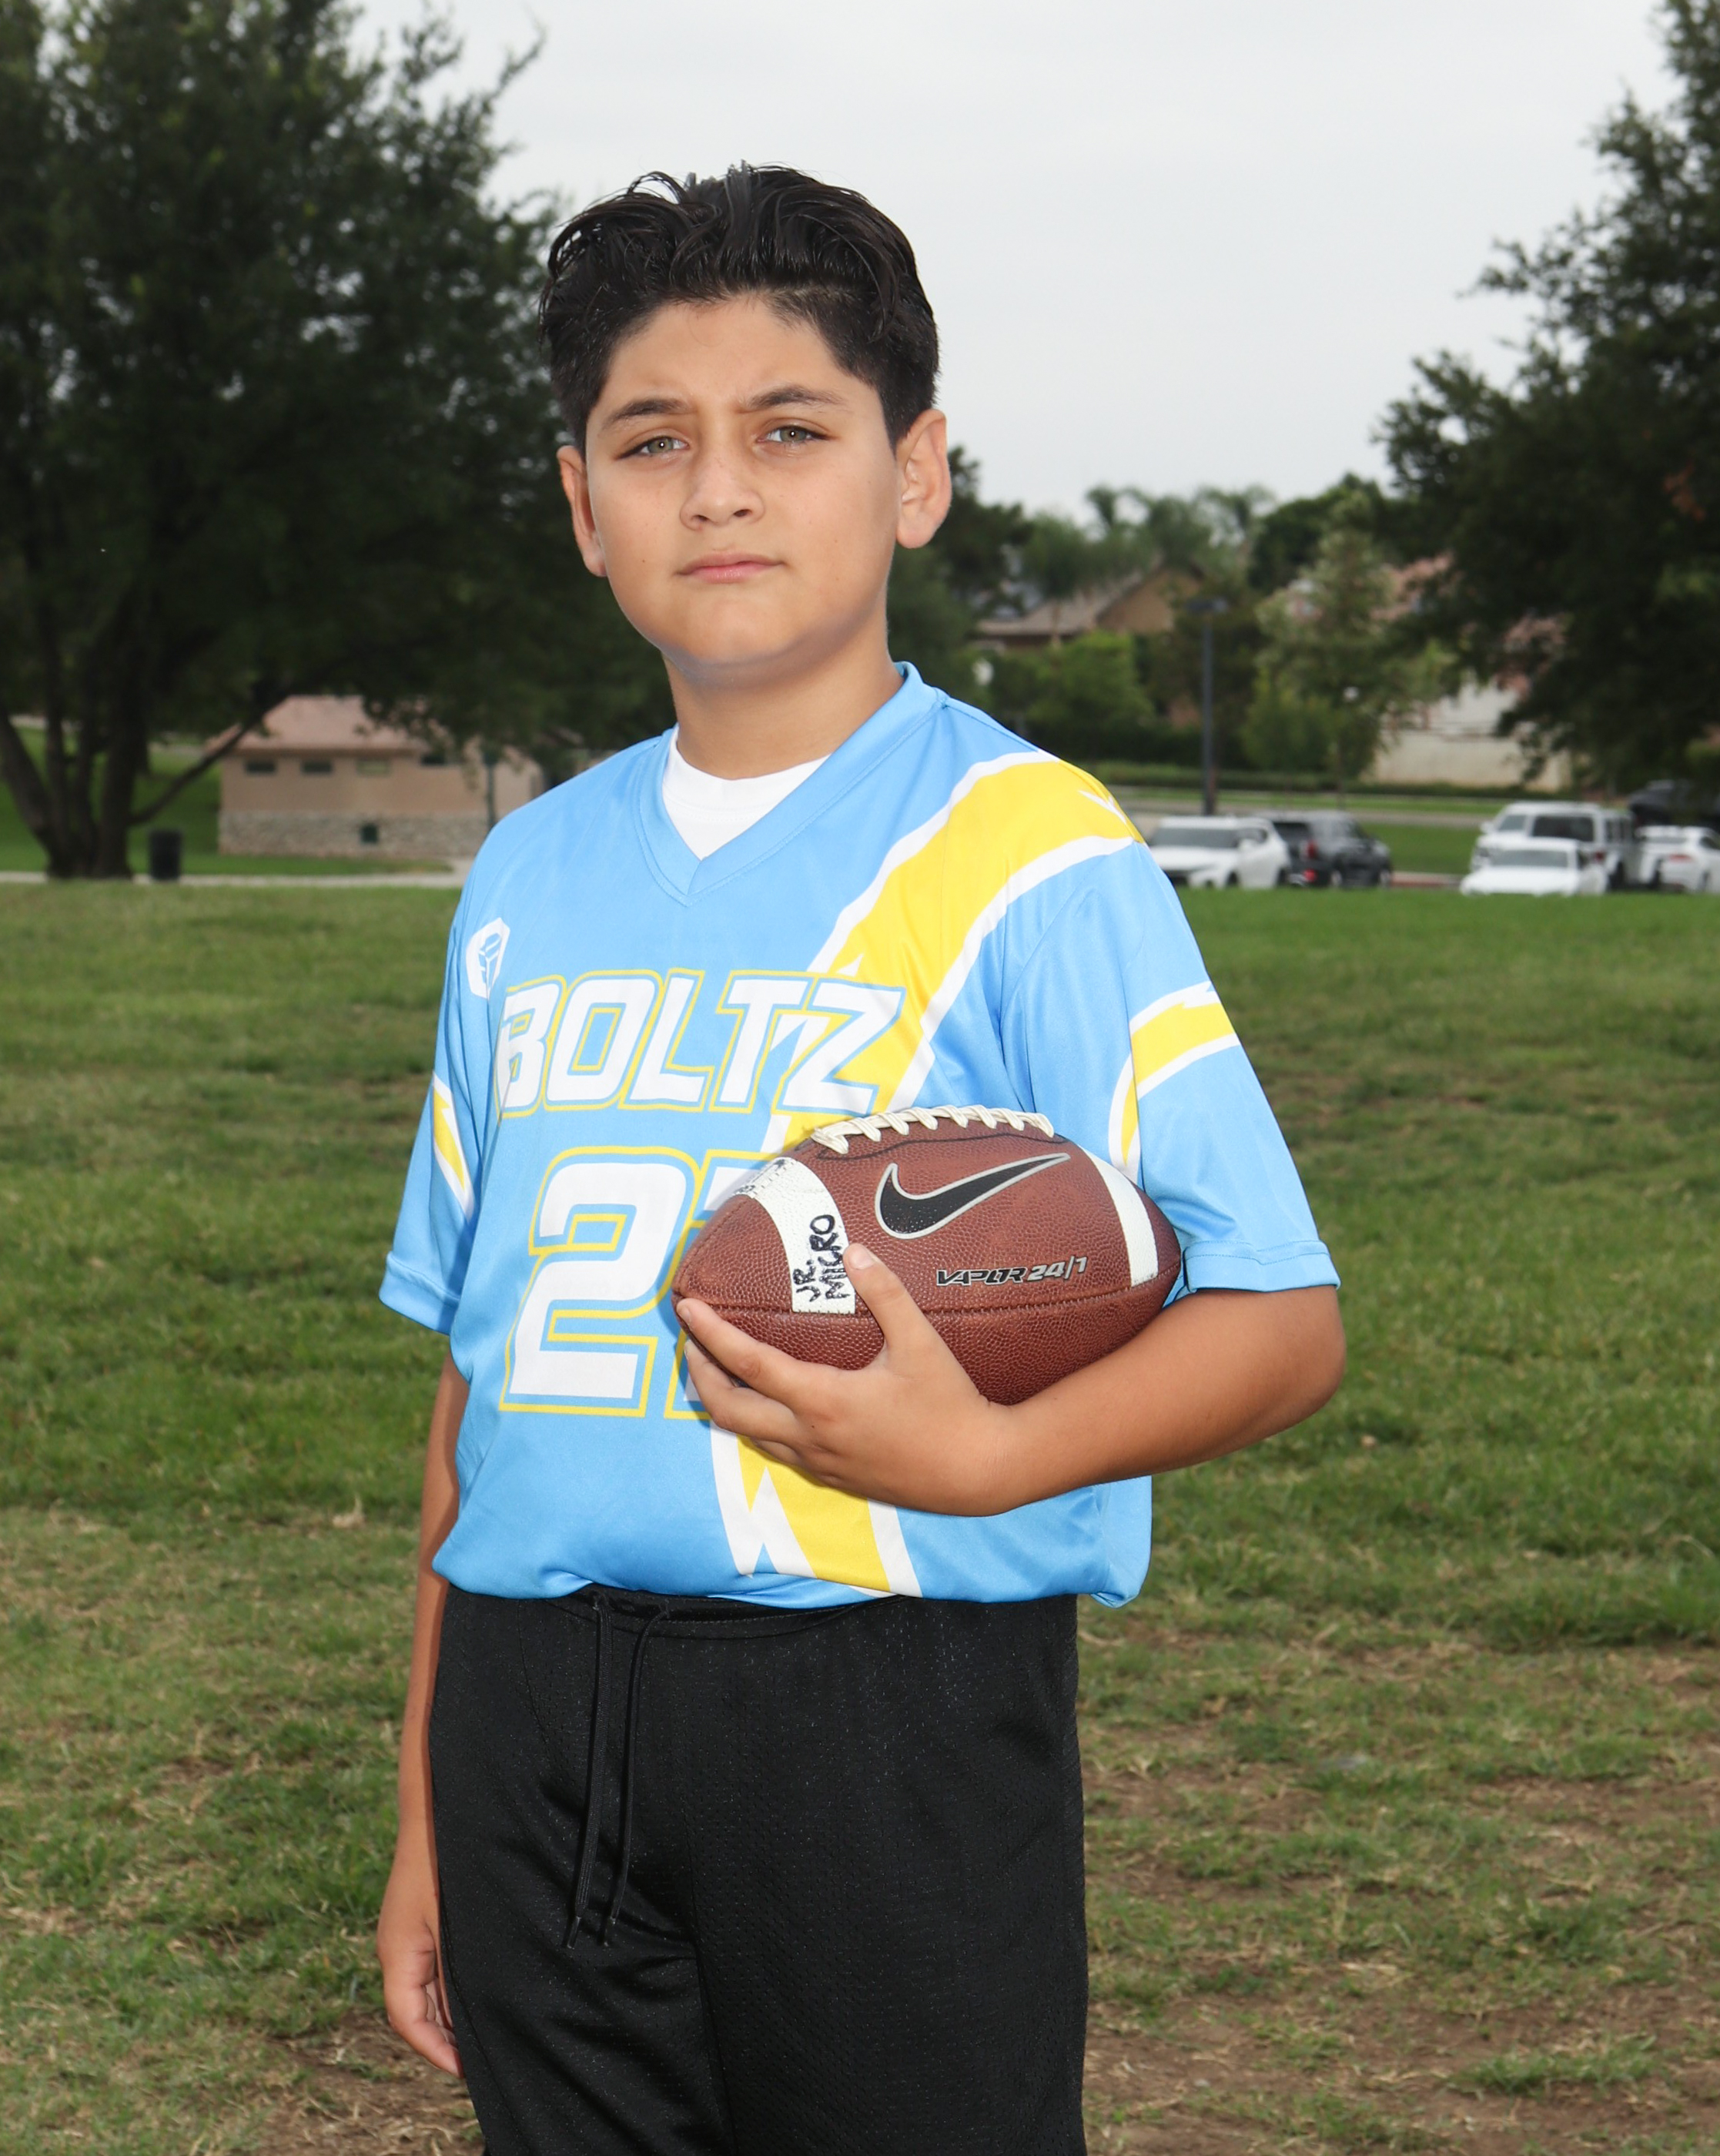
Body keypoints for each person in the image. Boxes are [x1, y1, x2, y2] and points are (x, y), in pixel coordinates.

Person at [375, 166, 1344, 2156]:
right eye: (654, 441)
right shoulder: (526, 873)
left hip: (884, 1709)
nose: (719, 490)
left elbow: (1283, 1318)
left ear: (915, 475)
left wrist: (982, 1457)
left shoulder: (1030, 853)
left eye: (791, 430)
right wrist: (423, 1813)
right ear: (581, 505)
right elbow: (479, 1377)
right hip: (530, 1715)